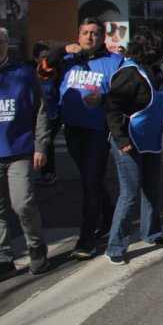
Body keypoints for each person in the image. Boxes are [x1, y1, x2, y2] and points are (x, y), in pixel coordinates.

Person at [38, 17, 124, 259]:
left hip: (98, 131)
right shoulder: (67, 59)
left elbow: (126, 95)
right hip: (71, 129)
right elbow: (42, 71)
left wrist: (105, 100)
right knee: (91, 180)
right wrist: (62, 50)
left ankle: (87, 238)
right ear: (78, 35)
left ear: (103, 37)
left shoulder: (115, 62)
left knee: (90, 182)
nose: (89, 37)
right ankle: (107, 215)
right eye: (85, 32)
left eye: (94, 33)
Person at [104, 32, 163, 265]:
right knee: (129, 194)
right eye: (162, 52)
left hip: (150, 140)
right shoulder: (129, 75)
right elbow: (111, 108)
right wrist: (121, 140)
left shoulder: (156, 72)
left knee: (151, 189)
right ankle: (116, 246)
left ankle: (151, 233)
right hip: (128, 141)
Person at [0, 28, 51, 279]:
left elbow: (40, 111)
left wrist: (41, 146)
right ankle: (4, 256)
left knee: (22, 204)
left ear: (6, 44)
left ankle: (35, 245)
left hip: (19, 150)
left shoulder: (23, 73)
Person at [32, 42, 60, 185]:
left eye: (48, 57)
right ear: (37, 59)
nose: (47, 60)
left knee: (47, 143)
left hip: (53, 115)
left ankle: (49, 172)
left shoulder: (56, 74)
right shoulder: (32, 74)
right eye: (43, 57)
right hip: (36, 116)